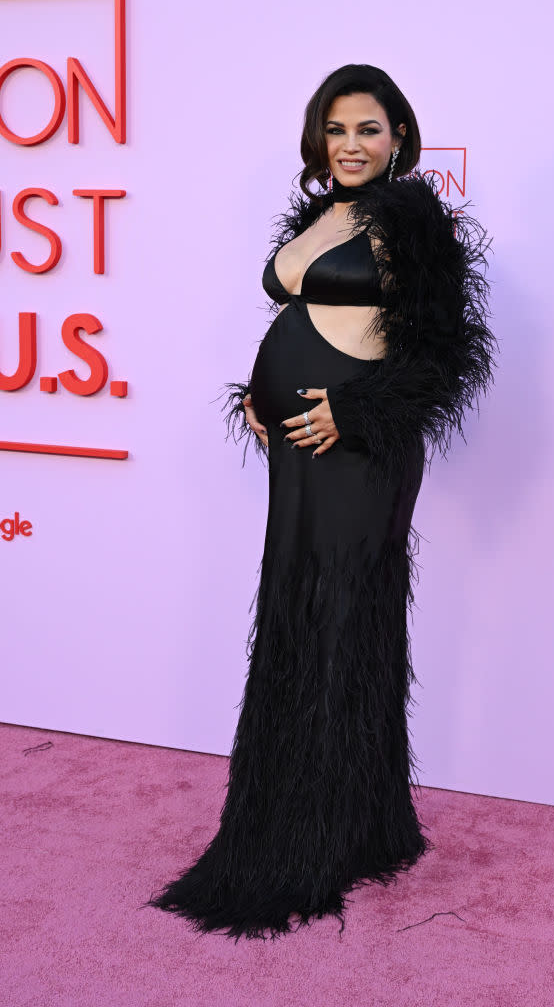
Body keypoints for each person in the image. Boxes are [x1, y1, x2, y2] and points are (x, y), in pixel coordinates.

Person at [144, 64, 497, 942]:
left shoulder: (413, 224)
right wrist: (258, 405)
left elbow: (443, 360)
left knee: (341, 618)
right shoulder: (321, 219)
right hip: (300, 449)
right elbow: (306, 325)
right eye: (336, 130)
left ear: (400, 138)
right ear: (317, 140)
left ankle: (312, 841)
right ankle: (363, 822)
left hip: (359, 451)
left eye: (368, 129)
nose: (351, 145)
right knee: (299, 615)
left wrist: (351, 410)